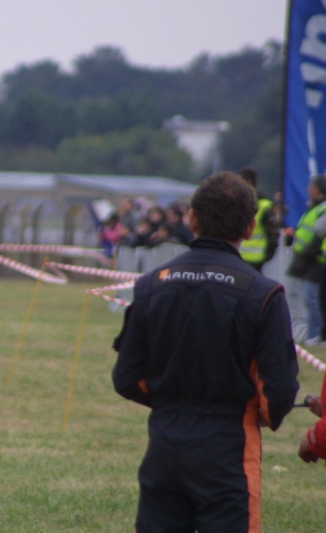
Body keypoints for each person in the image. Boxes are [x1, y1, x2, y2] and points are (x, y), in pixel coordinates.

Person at [112, 171, 299, 532]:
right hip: (229, 447)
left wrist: (172, 401)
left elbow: (126, 378)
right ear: (249, 227)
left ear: (192, 219)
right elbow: (279, 391)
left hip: (165, 444)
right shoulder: (264, 295)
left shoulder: (152, 285)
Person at [287, 175, 326, 345]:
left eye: (312, 186)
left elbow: (318, 232)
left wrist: (309, 252)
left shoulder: (321, 208)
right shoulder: (314, 207)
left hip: (315, 260)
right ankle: (314, 335)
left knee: (313, 299)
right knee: (311, 299)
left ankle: (315, 335)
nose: (308, 189)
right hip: (309, 259)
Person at [237, 167, 280, 272]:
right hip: (237, 257)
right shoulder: (238, 202)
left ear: (248, 182)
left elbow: (273, 234)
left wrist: (268, 255)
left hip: (255, 259)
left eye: (239, 181)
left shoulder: (264, 205)